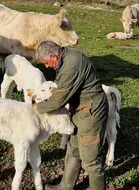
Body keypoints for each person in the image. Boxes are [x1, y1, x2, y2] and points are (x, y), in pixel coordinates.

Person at [32, 41, 108, 190]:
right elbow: (59, 88)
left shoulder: (71, 65)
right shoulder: (65, 57)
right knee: (74, 150)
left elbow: (59, 99)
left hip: (91, 113)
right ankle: (65, 186)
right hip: (79, 110)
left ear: (53, 56)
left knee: (91, 160)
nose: (47, 67)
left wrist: (38, 107)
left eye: (46, 63)